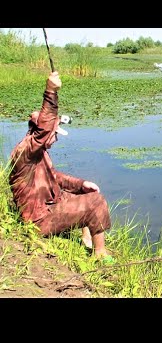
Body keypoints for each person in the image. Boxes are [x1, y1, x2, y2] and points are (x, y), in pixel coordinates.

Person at [9, 71, 112, 260]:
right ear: (40, 132)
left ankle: (86, 238)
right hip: (39, 219)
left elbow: (54, 176)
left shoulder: (37, 154)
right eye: (54, 133)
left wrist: (81, 184)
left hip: (48, 207)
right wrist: (51, 91)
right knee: (96, 202)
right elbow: (44, 128)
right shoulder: (27, 151)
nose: (55, 137)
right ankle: (100, 254)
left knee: (88, 192)